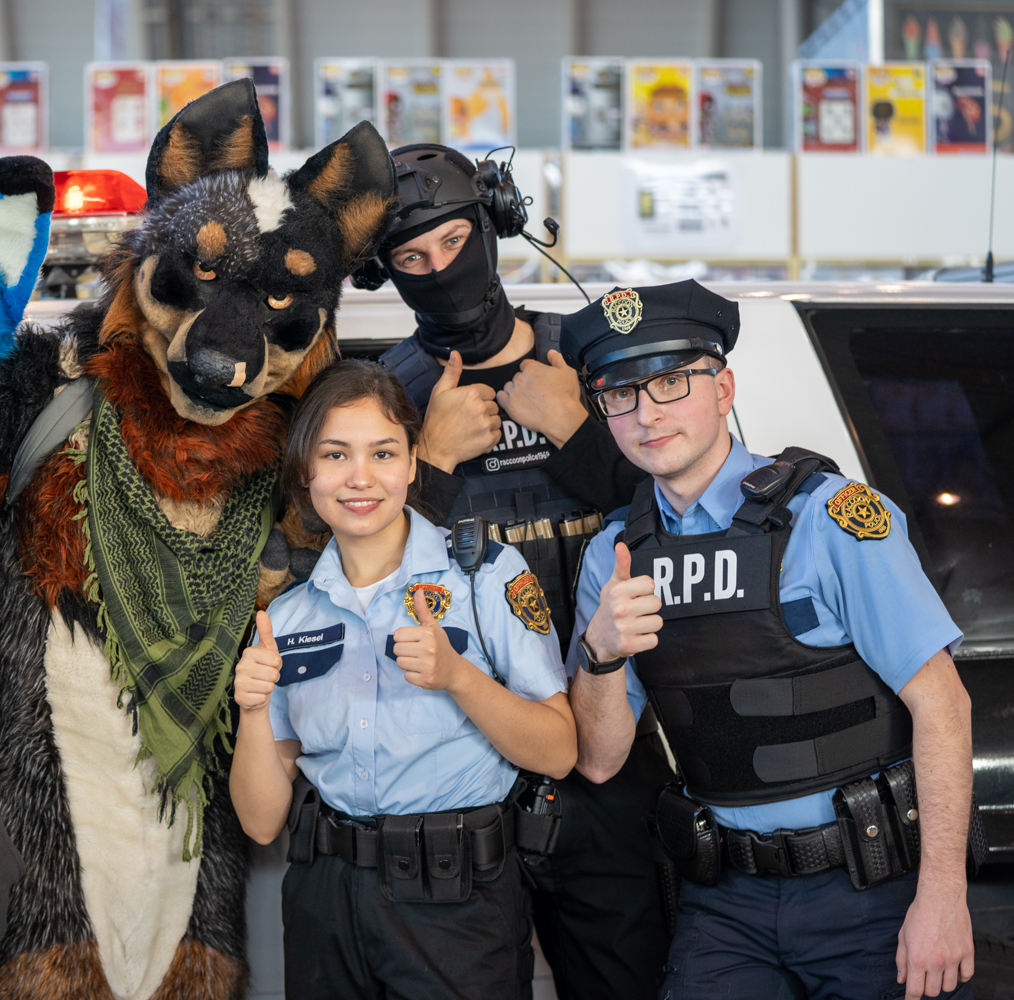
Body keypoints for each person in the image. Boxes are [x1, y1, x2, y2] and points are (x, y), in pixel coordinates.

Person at [566, 279, 977, 1000]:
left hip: (872, 886)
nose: (647, 413)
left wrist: (943, 895)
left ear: (723, 388)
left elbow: (943, 704)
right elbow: (599, 760)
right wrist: (602, 655)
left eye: (670, 382)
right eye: (620, 393)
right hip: (726, 900)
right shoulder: (615, 554)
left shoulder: (830, 518)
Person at [373, 143, 674, 999]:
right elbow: (361, 585)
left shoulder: (591, 358)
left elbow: (687, 518)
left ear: (494, 228)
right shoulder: (382, 397)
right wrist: (431, 464)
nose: (440, 271)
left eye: (454, 241)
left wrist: (577, 431)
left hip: (611, 752)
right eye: (411, 259)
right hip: (462, 767)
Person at [228, 359, 576, 1000]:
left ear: (414, 463)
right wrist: (251, 711)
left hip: (456, 901)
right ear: (306, 472)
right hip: (325, 902)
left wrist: (459, 678)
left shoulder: (485, 576)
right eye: (335, 454)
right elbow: (260, 822)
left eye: (383, 453)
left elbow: (558, 751)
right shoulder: (287, 616)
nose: (360, 477)